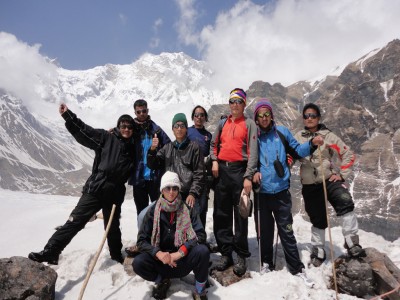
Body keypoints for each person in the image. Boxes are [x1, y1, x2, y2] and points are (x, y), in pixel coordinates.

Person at [29, 103, 135, 264]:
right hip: (97, 188)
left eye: (129, 127)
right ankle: (51, 251)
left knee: (112, 228)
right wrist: (68, 116)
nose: (126, 129)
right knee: (75, 221)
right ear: (118, 126)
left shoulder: (133, 148)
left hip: (114, 193)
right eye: (123, 126)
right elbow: (85, 132)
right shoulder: (106, 138)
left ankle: (115, 255)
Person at [252, 99, 323, 285]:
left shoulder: (282, 133)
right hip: (262, 193)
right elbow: (249, 161)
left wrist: (312, 144)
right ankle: (266, 262)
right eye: (261, 115)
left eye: (267, 114)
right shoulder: (254, 137)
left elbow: (298, 150)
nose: (264, 118)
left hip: (281, 192)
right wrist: (253, 173)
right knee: (265, 232)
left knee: (287, 230)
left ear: (271, 116)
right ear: (256, 118)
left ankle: (296, 267)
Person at [294, 103, 364, 267]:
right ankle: (318, 250)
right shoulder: (298, 137)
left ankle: (352, 242)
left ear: (318, 118)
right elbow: (292, 154)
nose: (309, 118)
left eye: (312, 115)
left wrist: (341, 175)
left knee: (344, 201)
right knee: (317, 218)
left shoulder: (329, 136)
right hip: (310, 185)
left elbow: (347, 154)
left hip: (329, 180)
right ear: (303, 119)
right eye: (306, 116)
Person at [133, 171, 209, 300]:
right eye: (168, 188)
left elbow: (200, 235)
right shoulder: (153, 212)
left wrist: (180, 252)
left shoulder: (188, 210)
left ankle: (200, 290)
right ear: (162, 190)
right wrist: (158, 254)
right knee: (139, 263)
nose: (171, 192)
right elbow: (141, 241)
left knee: (202, 251)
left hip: (183, 260)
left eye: (175, 188)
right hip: (161, 261)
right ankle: (162, 280)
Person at [209, 88, 258, 276]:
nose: (235, 105)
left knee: (241, 214)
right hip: (222, 171)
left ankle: (241, 254)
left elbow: (253, 151)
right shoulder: (222, 123)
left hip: (239, 171)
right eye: (232, 101)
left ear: (244, 104)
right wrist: (214, 160)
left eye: (239, 101)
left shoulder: (249, 124)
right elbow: (214, 144)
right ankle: (226, 253)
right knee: (221, 213)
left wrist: (248, 176)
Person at [147, 113, 204, 210]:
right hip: (170, 194)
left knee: (190, 223)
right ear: (172, 129)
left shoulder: (194, 148)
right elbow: (153, 164)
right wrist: (152, 150)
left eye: (182, 126)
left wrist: (193, 193)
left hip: (188, 194)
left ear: (186, 129)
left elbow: (199, 173)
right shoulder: (167, 148)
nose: (179, 129)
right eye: (176, 126)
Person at [187, 105, 212, 228]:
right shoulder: (187, 131)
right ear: (193, 117)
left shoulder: (208, 135)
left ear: (205, 117)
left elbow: (211, 155)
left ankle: (200, 239)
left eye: (202, 115)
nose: (199, 117)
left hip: (202, 176)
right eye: (196, 115)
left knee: (202, 208)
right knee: (188, 207)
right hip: (188, 176)